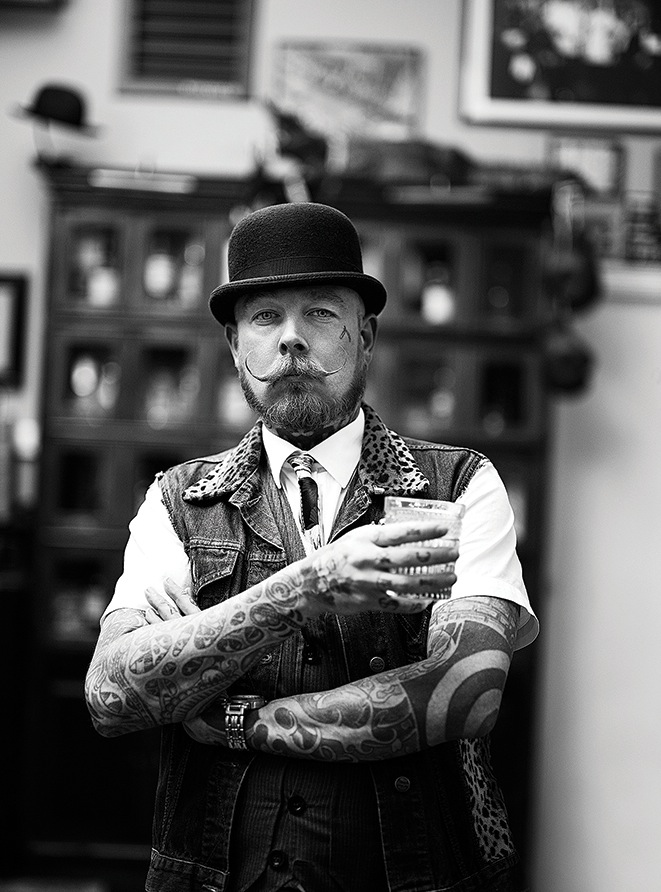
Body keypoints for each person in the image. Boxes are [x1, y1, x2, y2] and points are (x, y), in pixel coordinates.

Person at [85, 201, 538, 892]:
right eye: (266, 317)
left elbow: (466, 694)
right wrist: (304, 587)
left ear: (365, 335)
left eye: (320, 313)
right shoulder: (177, 502)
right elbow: (111, 695)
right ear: (235, 345)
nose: (292, 339)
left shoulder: (459, 486)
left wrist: (238, 719)